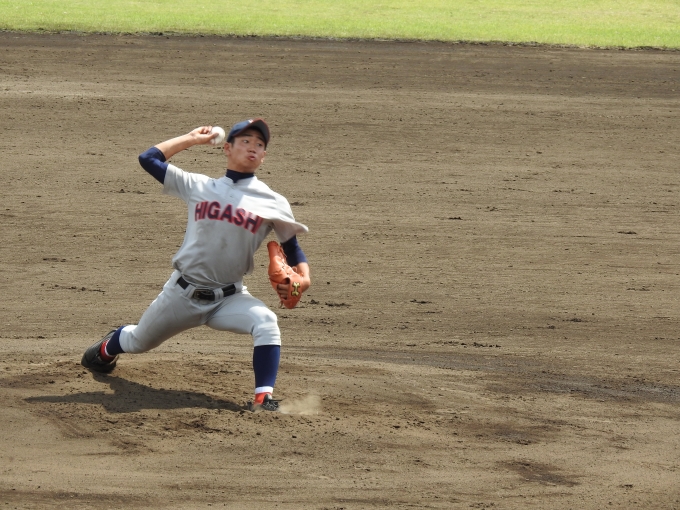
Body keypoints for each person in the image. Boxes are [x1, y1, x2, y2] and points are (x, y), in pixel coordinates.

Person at [81, 119, 311, 412]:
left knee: (266, 322)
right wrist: (191, 138)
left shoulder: (273, 202)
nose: (252, 147)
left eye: (259, 144)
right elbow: (148, 159)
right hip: (181, 295)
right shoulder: (199, 186)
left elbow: (292, 248)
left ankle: (262, 398)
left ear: (264, 156)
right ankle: (107, 348)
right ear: (227, 148)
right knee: (138, 341)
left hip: (229, 298)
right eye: (245, 141)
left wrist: (305, 279)